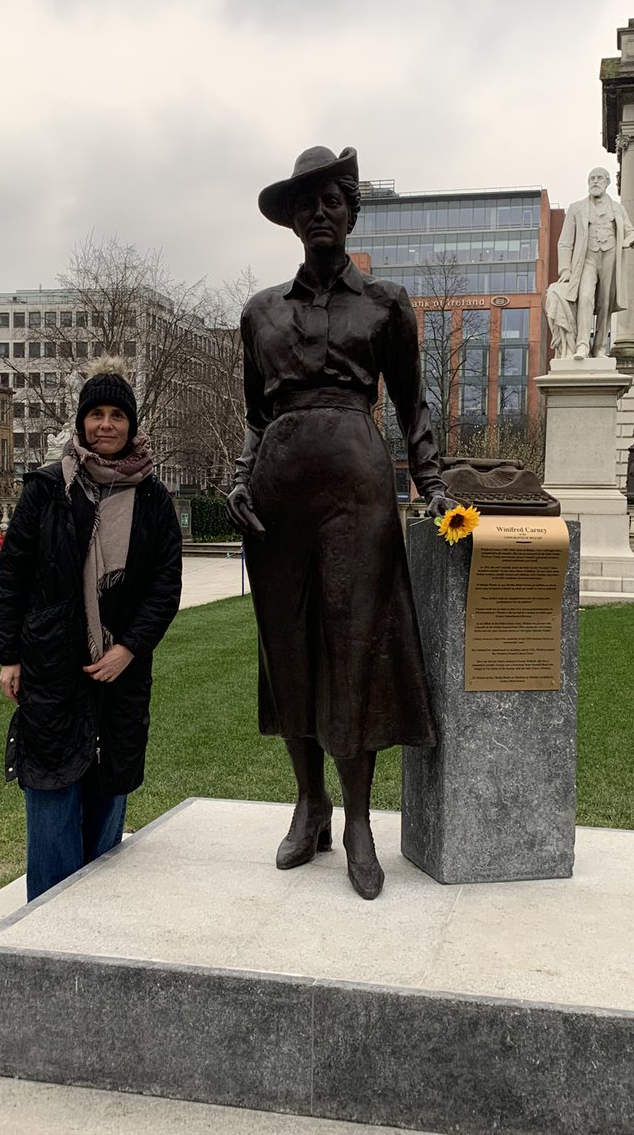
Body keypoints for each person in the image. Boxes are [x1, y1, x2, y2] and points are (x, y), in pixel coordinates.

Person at [227, 145, 452, 901]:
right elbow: (256, 418)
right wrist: (236, 478)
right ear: (291, 219)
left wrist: (434, 484)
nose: (319, 212)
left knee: (355, 647)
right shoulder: (260, 313)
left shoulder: (386, 305)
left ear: (352, 212)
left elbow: (413, 407)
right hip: (278, 494)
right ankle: (309, 802)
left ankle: (358, 819)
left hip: (358, 484)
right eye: (306, 202)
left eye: (332, 199)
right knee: (288, 648)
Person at [0, 359, 182, 901]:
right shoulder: (48, 490)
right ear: (80, 423)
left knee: (109, 785)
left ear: (131, 423)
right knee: (52, 786)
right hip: (53, 662)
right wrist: (10, 654)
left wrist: (128, 647)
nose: (105, 424)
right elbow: (13, 576)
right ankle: (47, 919)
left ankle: (96, 917)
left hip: (120, 670)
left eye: (116, 414)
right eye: (95, 414)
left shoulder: (153, 499)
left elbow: (165, 585)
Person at [555, 166, 634, 359]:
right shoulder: (577, 208)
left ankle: (599, 347)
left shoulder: (618, 209)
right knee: (585, 298)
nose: (595, 181)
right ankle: (582, 344)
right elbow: (565, 242)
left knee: (605, 303)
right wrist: (565, 269)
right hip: (587, 259)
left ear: (607, 182)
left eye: (599, 178)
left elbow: (629, 232)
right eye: (592, 178)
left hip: (610, 256)